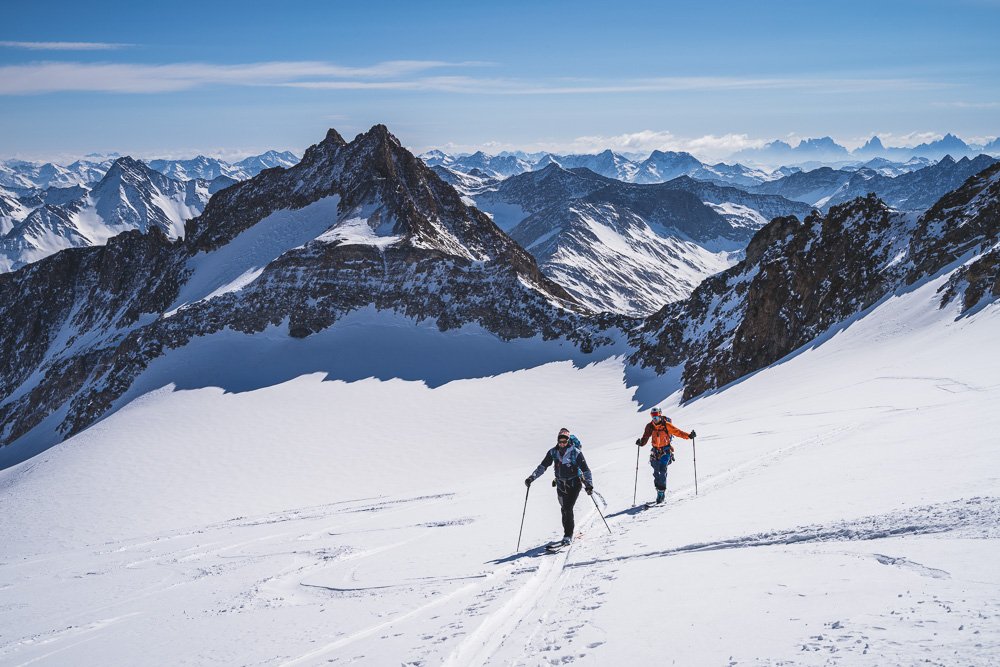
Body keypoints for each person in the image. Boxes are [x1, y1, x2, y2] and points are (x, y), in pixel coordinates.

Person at [525, 428, 594, 547]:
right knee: (563, 510)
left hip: (574, 484)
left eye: (564, 441)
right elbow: (543, 466)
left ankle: (568, 535)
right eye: (560, 441)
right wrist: (532, 477)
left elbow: (586, 470)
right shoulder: (553, 452)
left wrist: (589, 485)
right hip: (561, 485)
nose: (562, 444)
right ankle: (566, 533)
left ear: (568, 441)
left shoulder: (575, 452)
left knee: (568, 508)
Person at [635, 407, 696, 504]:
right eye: (653, 417)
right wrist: (641, 443)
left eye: (656, 417)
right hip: (655, 452)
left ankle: (661, 493)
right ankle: (658, 489)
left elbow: (678, 432)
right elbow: (645, 437)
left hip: (666, 451)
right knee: (656, 473)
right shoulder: (650, 426)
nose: (655, 419)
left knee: (662, 470)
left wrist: (688, 436)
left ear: (660, 415)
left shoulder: (666, 425)